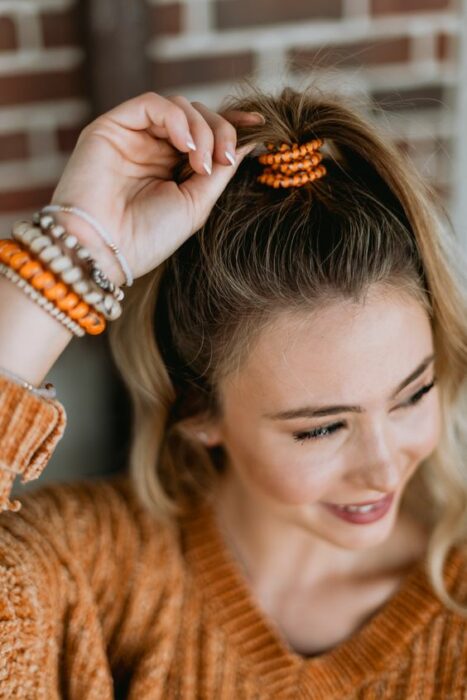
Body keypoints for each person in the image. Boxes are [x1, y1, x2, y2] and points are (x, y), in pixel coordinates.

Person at [0, 82, 466, 699]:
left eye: (413, 394)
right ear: (197, 411)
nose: (384, 466)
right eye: (322, 428)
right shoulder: (84, 572)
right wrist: (78, 249)